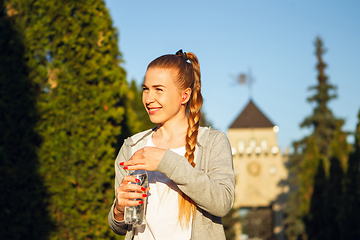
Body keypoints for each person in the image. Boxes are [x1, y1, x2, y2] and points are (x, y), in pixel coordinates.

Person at [108, 50, 235, 240]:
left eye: (159, 89)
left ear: (184, 96)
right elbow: (118, 226)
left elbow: (222, 202)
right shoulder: (131, 146)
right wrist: (119, 209)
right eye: (145, 89)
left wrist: (166, 161)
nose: (148, 99)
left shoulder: (212, 142)